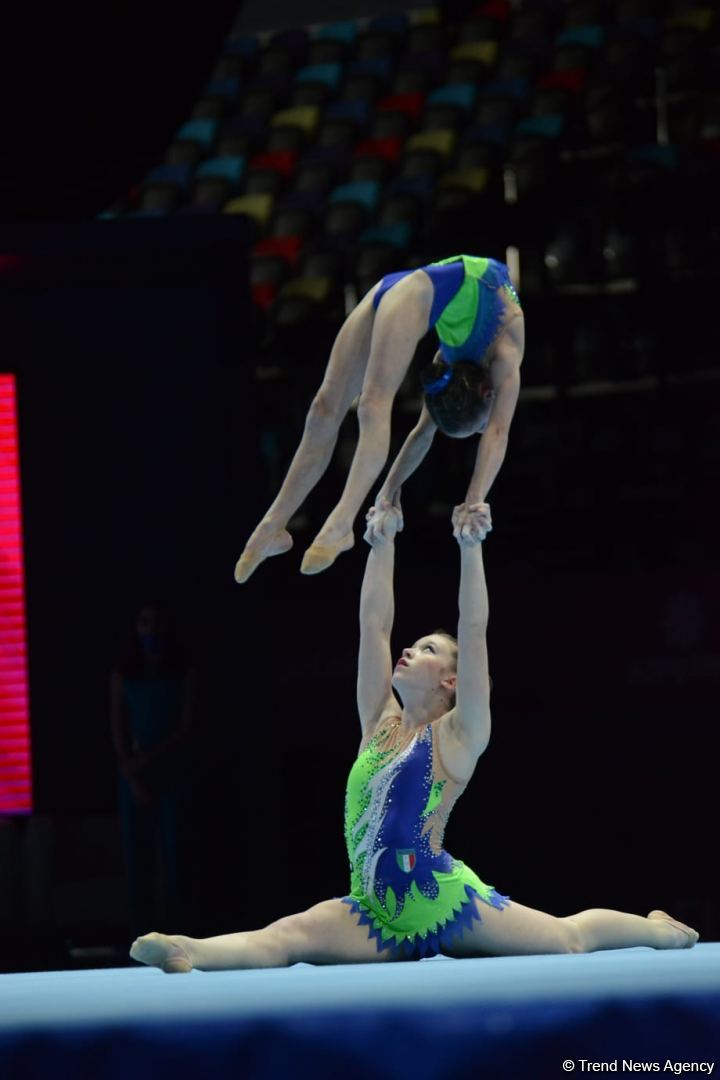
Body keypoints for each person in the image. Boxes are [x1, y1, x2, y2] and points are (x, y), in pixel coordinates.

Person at [130, 503, 698, 973]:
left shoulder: (460, 735)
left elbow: (473, 630)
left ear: (452, 681)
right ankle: (188, 950)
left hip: (444, 902)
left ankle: (660, 932)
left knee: (566, 940)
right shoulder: (377, 722)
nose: (408, 649)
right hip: (374, 913)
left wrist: (471, 549)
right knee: (287, 938)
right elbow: (373, 624)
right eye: (414, 643)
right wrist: (381, 543)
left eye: (426, 649)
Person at [234, 254, 525, 584]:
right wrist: (474, 501)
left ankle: (272, 526)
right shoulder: (507, 350)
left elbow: (422, 434)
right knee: (372, 405)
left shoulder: (452, 366)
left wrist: (389, 491)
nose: (486, 426)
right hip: (411, 293)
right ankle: (342, 524)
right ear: (489, 395)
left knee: (324, 409)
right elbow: (498, 434)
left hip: (393, 287)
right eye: (480, 427)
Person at [111, 602, 196, 940]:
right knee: (137, 857)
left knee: (177, 854)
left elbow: (187, 726)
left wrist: (154, 758)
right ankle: (140, 934)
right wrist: (132, 775)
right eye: (145, 622)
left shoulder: (183, 671)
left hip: (171, 772)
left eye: (157, 622)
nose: (152, 629)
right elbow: (117, 728)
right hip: (134, 774)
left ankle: (180, 934)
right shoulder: (123, 674)